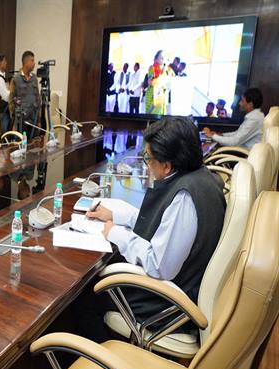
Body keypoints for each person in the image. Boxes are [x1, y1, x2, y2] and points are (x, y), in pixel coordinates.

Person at [86, 116, 226, 331]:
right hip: (182, 287)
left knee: (87, 296)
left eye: (149, 159)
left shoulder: (184, 197)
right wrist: (116, 216)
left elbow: (159, 265)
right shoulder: (201, 176)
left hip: (167, 305)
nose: (148, 165)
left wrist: (115, 233)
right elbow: (165, 224)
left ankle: (106, 351)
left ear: (167, 166)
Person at [9, 50, 41, 140]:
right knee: (20, 145)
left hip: (33, 119)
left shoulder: (34, 78)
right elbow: (11, 101)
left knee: (33, 145)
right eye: (32, 60)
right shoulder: (16, 79)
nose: (34, 63)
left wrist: (39, 119)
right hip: (20, 121)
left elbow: (38, 99)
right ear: (26, 62)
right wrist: (14, 120)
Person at [144, 50, 172, 115]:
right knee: (154, 117)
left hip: (163, 97)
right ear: (156, 59)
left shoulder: (167, 70)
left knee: (162, 117)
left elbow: (169, 83)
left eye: (164, 57)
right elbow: (150, 82)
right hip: (153, 96)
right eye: (161, 57)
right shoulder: (152, 68)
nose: (163, 58)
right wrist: (160, 80)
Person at [0, 54, 11, 135]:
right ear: (0, 63)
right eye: (4, 61)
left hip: (5, 111)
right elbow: (6, 97)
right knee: (4, 135)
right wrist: (13, 91)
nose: (6, 63)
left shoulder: (2, 77)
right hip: (2, 112)